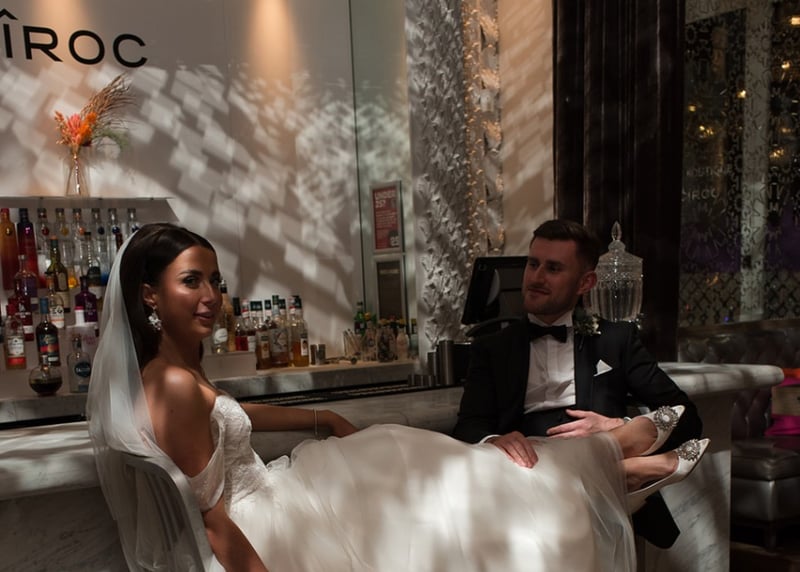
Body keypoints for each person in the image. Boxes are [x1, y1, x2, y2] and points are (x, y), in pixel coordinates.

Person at [87, 223, 706, 572]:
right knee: (433, 478)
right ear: (149, 294)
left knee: (423, 466)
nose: (210, 297)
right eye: (191, 281)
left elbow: (230, 414)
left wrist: (322, 416)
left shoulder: (173, 370)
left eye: (215, 281)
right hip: (265, 523)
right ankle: (616, 461)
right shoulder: (172, 382)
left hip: (277, 495)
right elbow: (212, 518)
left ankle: (613, 457)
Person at [452, 218, 704, 548]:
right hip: (524, 485)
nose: (536, 278)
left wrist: (619, 426)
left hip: (598, 508)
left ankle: (615, 455)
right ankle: (624, 471)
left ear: (585, 282)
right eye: (533, 264)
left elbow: (688, 418)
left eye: (553, 268)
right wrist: (495, 439)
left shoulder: (616, 339)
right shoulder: (493, 347)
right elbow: (468, 426)